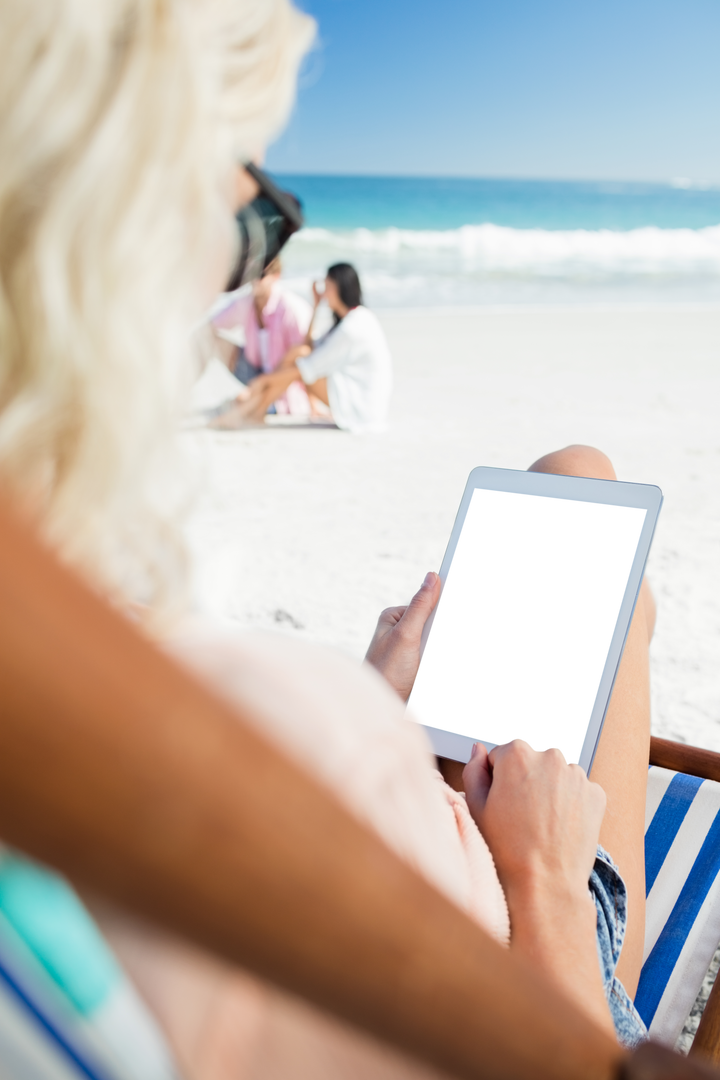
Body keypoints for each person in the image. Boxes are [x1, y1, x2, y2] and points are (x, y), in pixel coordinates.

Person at [0, 0, 650, 1074]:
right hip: (533, 939)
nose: (242, 255)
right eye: (255, 213)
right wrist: (540, 871)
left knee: (569, 501)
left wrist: (372, 698)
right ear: (123, 223)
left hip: (404, 813)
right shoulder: (84, 723)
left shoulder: (74, 648)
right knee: (594, 514)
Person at [218, 262, 394, 432]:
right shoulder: (351, 320)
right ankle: (256, 410)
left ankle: (254, 410)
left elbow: (309, 366)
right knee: (299, 353)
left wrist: (262, 381)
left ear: (341, 287)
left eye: (327, 287)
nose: (324, 294)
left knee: (300, 358)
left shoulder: (353, 326)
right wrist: (316, 307)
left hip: (362, 409)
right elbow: (309, 347)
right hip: (359, 400)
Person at [211, 256, 313, 416]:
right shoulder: (245, 302)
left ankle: (256, 400)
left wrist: (312, 405)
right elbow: (211, 326)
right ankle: (175, 393)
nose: (255, 280)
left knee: (239, 407)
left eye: (261, 275)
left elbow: (304, 361)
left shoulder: (291, 309)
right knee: (207, 339)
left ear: (276, 276)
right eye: (252, 273)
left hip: (281, 383)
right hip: (254, 372)